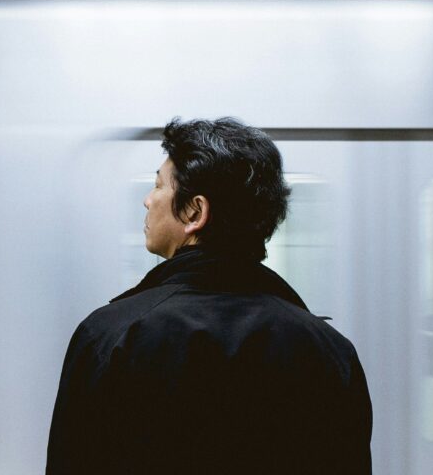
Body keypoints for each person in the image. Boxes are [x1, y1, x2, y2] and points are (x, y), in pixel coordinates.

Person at [47, 118, 372, 474]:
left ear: (195, 212)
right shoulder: (329, 352)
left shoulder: (111, 337)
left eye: (158, 185)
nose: (147, 200)